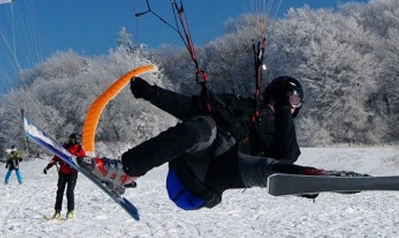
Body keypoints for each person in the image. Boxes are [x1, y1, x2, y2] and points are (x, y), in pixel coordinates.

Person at [78, 75, 325, 210]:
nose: (290, 104)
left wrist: (281, 110)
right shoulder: (238, 104)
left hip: (216, 177)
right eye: (288, 99)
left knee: (266, 169)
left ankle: (308, 179)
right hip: (193, 164)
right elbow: (189, 106)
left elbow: (288, 154)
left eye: (292, 101)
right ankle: (125, 172)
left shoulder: (282, 131)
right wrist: (152, 94)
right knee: (201, 125)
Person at [43, 132, 86, 220]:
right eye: (70, 139)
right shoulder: (65, 147)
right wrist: (48, 167)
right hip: (63, 172)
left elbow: (84, 160)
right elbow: (56, 157)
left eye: (72, 139)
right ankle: (57, 211)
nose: (70, 141)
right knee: (60, 192)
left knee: (69, 192)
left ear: (76, 140)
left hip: (72, 172)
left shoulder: (79, 149)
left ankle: (70, 211)